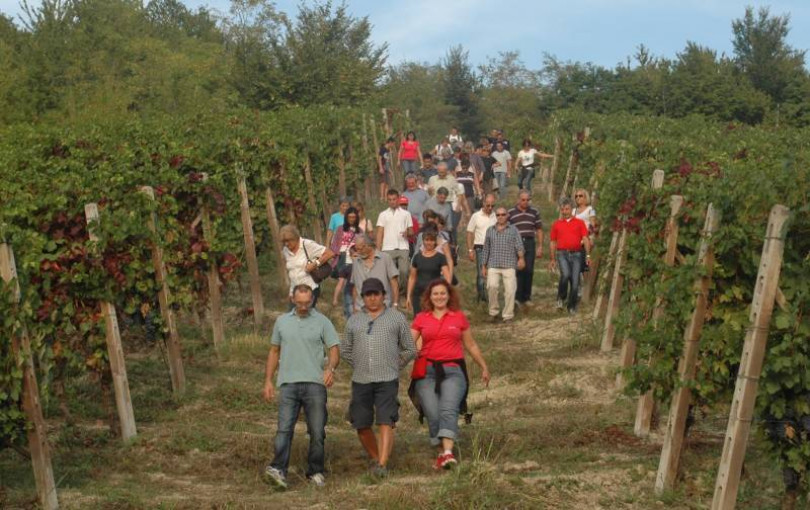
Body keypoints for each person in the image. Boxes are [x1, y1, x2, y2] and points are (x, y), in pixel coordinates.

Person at [262, 284, 340, 490]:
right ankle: (278, 469)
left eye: (308, 303)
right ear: (292, 299)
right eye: (300, 303)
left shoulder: (323, 321)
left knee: (316, 430)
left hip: (315, 383)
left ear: (313, 299)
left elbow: (334, 349)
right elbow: (274, 351)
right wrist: (268, 380)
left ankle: (315, 471)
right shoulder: (281, 322)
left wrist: (330, 369)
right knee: (284, 429)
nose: (304, 307)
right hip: (288, 383)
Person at [410, 280, 490, 470]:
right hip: (427, 371)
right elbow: (408, 344)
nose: (439, 297)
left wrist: (483, 366)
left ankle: (448, 453)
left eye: (443, 293)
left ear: (449, 296)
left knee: (448, 408)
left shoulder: (458, 318)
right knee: (432, 412)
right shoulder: (421, 318)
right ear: (429, 297)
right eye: (435, 294)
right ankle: (441, 453)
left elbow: (470, 345)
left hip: (453, 370)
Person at [342, 278, 416, 478]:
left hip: (387, 379)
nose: (372, 298)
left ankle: (382, 464)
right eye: (368, 294)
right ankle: (376, 458)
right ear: (362, 297)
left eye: (376, 294)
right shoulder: (354, 320)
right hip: (361, 380)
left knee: (386, 420)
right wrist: (359, 364)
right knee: (361, 423)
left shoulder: (396, 318)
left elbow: (410, 348)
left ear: (384, 295)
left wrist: (395, 364)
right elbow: (345, 350)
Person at [481, 207, 525, 322]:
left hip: (509, 264)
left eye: (503, 214)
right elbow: (486, 249)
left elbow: (519, 245)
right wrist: (483, 266)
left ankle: (508, 315)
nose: (500, 217)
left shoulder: (513, 230)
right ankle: (493, 312)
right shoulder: (490, 230)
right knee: (492, 286)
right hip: (493, 264)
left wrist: (521, 258)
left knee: (510, 290)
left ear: (507, 215)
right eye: (498, 215)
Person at [549, 197, 592, 314]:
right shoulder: (556, 224)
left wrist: (588, 256)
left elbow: (585, 239)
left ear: (571, 209)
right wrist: (552, 259)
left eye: (567, 209)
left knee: (575, 281)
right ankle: (561, 297)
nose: (564, 212)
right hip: (562, 253)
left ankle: (571, 306)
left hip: (577, 254)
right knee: (565, 275)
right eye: (562, 209)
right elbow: (553, 242)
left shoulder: (580, 223)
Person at [280, 225, 335, 308]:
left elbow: (329, 253)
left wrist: (314, 264)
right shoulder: (285, 251)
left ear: (296, 238)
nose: (286, 244)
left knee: (304, 315)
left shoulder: (307, 245)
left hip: (310, 289)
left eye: (289, 241)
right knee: (295, 316)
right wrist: (291, 293)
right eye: (284, 241)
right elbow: (293, 273)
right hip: (295, 291)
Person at [508, 191, 544, 309]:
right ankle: (517, 298)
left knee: (529, 270)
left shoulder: (534, 212)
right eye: (523, 200)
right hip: (516, 244)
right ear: (518, 199)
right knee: (518, 270)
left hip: (529, 242)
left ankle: (526, 297)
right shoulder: (511, 213)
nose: (525, 202)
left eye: (527, 200)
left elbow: (539, 229)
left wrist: (540, 246)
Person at [376, 189, 413, 295]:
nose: (392, 201)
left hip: (403, 246)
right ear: (387, 200)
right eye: (390, 200)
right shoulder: (383, 214)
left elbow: (411, 231)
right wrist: (378, 250)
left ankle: (402, 292)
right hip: (388, 247)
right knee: (389, 274)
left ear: (398, 199)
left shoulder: (406, 214)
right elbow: (379, 233)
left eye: (394, 199)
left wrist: (408, 233)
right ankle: (390, 294)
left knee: (404, 271)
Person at [351, 234, 400, 311]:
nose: (358, 252)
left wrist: (395, 304)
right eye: (356, 249)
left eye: (360, 249)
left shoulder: (385, 258)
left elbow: (394, 283)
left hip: (384, 307)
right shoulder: (356, 262)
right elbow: (355, 287)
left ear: (368, 246)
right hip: (361, 308)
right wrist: (354, 307)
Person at [407, 230, 451, 315]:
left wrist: (447, 292)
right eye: (427, 240)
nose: (429, 242)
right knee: (419, 319)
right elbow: (412, 277)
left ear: (435, 242)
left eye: (431, 240)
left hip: (434, 295)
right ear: (423, 241)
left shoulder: (440, 257)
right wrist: (409, 295)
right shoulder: (417, 257)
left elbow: (447, 276)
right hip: (418, 294)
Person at [330, 207, 362, 318]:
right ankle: (347, 308)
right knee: (342, 282)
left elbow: (362, 245)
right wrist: (334, 256)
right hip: (341, 257)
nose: (352, 219)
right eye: (350, 217)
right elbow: (334, 244)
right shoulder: (340, 229)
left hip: (354, 259)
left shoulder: (359, 231)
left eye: (354, 217)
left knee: (351, 284)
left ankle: (350, 309)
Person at [466, 193, 496, 302]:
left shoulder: (496, 216)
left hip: (494, 248)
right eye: (488, 205)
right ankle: (482, 297)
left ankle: (491, 295)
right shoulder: (476, 216)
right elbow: (469, 232)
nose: (490, 208)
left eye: (492, 206)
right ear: (483, 203)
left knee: (492, 273)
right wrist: (470, 250)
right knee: (480, 273)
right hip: (480, 248)